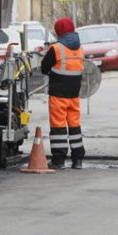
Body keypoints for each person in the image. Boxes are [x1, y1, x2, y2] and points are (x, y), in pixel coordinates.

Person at [39, 16, 85, 169]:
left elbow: (44, 68)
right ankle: (78, 160)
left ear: (59, 31)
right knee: (74, 126)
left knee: (58, 127)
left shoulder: (56, 48)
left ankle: (59, 160)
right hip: (74, 95)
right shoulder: (79, 47)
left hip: (58, 94)